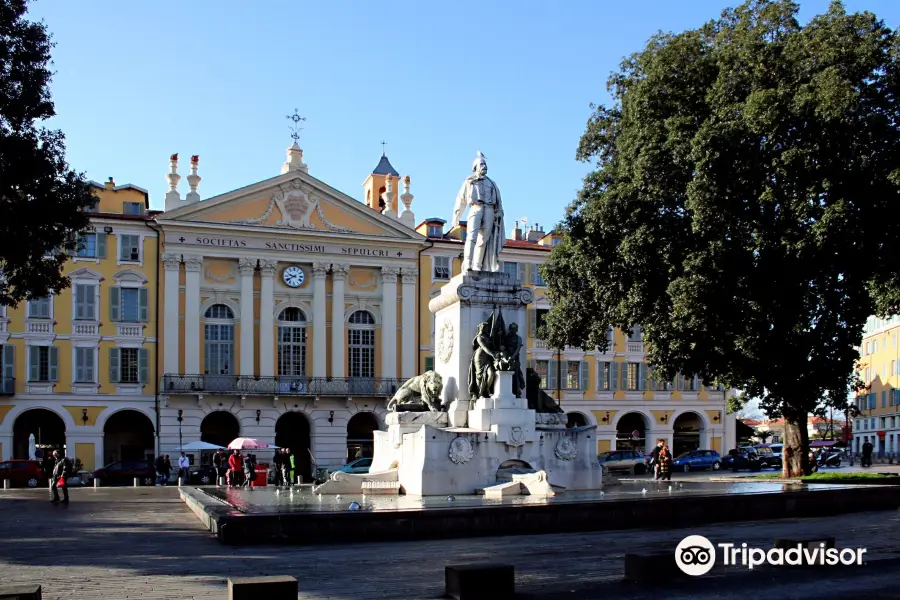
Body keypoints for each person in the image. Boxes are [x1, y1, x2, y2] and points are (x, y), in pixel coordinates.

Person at [451, 151, 505, 272]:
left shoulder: (492, 183)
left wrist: (499, 211)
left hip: (490, 209)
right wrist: (457, 215)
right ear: (475, 168)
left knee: (484, 239)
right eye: (481, 164)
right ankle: (468, 263)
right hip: (476, 208)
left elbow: (499, 201)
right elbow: (461, 198)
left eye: (485, 164)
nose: (484, 167)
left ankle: (477, 265)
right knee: (472, 236)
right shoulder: (469, 181)